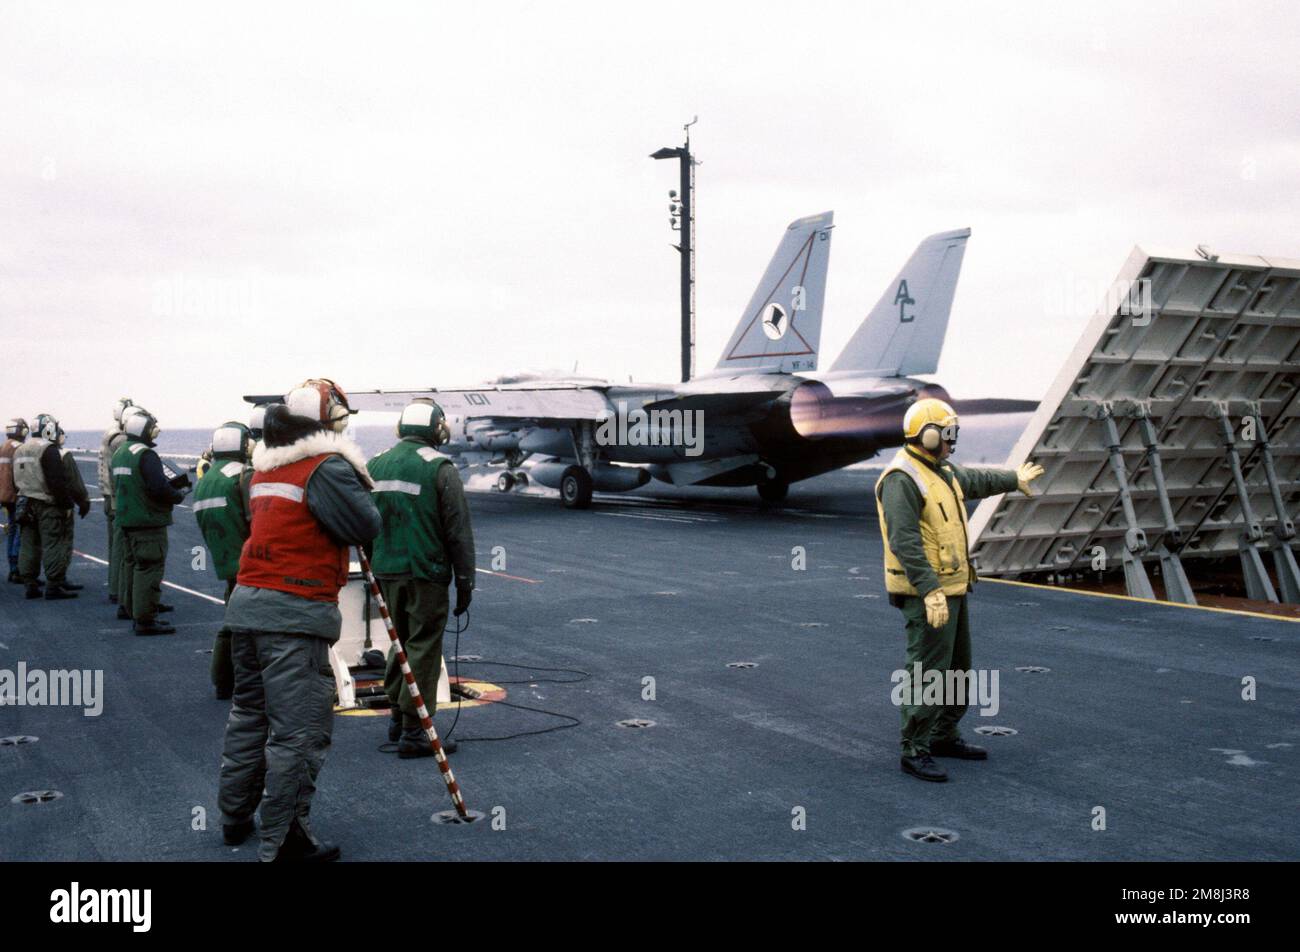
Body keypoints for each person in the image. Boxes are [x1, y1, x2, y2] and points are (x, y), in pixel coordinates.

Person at [218, 379, 381, 863]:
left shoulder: (265, 470)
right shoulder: (325, 467)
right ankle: (284, 839)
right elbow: (366, 524)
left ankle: (234, 817)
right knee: (299, 732)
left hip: (247, 610)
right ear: (328, 421)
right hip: (292, 617)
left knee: (249, 717)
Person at [875, 397, 1043, 783]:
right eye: (948, 435)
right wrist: (930, 590)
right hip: (927, 595)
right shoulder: (902, 479)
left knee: (958, 670)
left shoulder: (940, 471)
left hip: (953, 587)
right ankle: (914, 749)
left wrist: (1013, 479)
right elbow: (904, 541)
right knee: (928, 673)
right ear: (929, 437)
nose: (952, 442)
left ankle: (943, 734)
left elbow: (976, 480)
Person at [367, 398, 477, 758]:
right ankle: (416, 731)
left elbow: (363, 522)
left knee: (398, 645)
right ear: (438, 431)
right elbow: (458, 532)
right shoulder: (440, 469)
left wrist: (371, 565)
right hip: (424, 574)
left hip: (385, 571)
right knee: (423, 648)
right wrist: (465, 582)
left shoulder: (375, 463)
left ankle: (399, 720)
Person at [112, 408, 188, 634]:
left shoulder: (120, 452)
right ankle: (145, 619)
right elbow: (158, 487)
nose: (156, 431)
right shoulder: (146, 455)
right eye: (152, 427)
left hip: (126, 520)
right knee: (149, 568)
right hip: (147, 522)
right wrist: (178, 495)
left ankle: (130, 608)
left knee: (132, 566)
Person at [193, 422, 253, 700]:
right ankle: (248, 682)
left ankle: (222, 681)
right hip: (250, 562)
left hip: (226, 560)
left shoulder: (207, 479)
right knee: (250, 625)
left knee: (231, 621)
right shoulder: (243, 475)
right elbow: (257, 519)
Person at [12, 414, 90, 600]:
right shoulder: (48, 449)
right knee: (53, 543)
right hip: (47, 504)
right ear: (49, 429)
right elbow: (57, 481)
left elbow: (14, 480)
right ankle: (54, 585)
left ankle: (30, 584)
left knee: (28, 544)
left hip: (24, 503)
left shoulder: (20, 449)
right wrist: (67, 504)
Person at [98, 397, 135, 603]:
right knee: (121, 548)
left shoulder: (109, 434)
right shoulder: (120, 439)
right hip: (117, 500)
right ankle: (120, 591)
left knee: (115, 547)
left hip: (108, 496)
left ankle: (116, 589)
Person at [1, 418, 30, 583]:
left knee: (12, 530)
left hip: (4, 495)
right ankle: (17, 568)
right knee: (20, 531)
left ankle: (12, 569)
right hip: (16, 495)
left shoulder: (3, 447)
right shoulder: (19, 448)